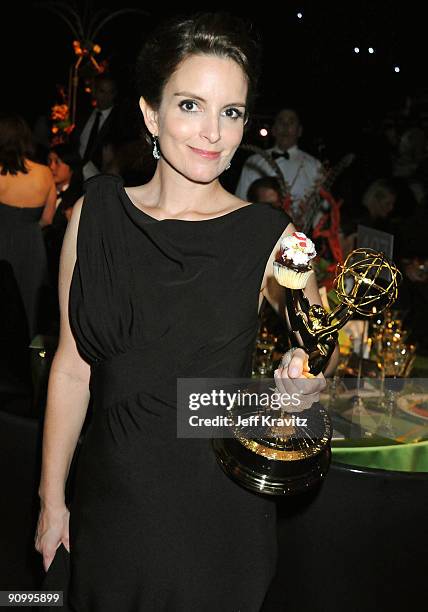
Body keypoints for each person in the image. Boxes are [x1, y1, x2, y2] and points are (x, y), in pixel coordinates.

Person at [35, 13, 338, 612]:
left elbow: (316, 358)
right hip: (109, 507)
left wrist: (298, 382)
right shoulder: (94, 217)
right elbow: (72, 369)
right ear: (151, 114)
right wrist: (51, 499)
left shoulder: (269, 235)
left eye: (231, 112)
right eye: (191, 105)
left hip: (216, 518)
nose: (213, 133)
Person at [0, 113, 56, 341]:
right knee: (29, 306)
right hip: (31, 247)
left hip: (2, 242)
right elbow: (48, 219)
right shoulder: (44, 173)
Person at [235, 107, 323, 220]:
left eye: (291, 122)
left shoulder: (314, 166)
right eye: (281, 121)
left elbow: (320, 211)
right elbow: (240, 202)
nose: (285, 127)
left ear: (300, 130)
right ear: (274, 129)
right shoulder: (254, 162)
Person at [74, 73, 120, 180]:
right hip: (76, 175)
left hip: (101, 179)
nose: (106, 97)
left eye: (111, 92)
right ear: (94, 92)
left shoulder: (119, 121)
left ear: (115, 94)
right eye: (102, 91)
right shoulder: (84, 115)